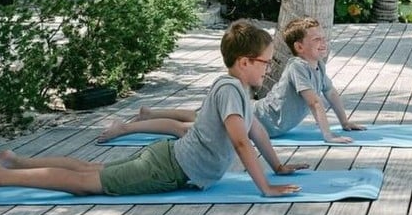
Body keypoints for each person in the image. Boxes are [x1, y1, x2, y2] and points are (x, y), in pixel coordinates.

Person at [0, 20, 307, 202]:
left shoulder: (238, 88)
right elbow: (242, 143)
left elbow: (256, 131)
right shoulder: (232, 90)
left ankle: (16, 162)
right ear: (244, 62)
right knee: (84, 184)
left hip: (168, 159)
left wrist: (278, 166)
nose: (268, 68)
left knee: (91, 168)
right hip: (169, 169)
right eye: (265, 62)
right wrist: (266, 188)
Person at [97, 16, 365, 144]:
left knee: (201, 114)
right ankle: (125, 129)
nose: (323, 43)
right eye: (316, 39)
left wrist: (344, 122)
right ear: (298, 47)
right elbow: (315, 103)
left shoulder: (317, 67)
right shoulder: (298, 67)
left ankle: (149, 113)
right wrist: (327, 135)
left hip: (259, 116)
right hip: (259, 118)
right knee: (190, 128)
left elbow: (330, 94)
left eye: (323, 38)